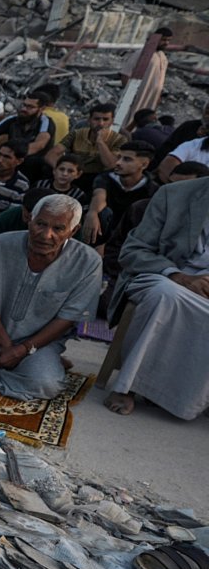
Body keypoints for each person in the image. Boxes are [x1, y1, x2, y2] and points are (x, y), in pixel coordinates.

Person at [0, 195, 100, 400]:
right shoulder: (0, 245)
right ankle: (22, 375)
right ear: (29, 219)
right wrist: (7, 346)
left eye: (58, 229)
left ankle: (31, 365)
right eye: (40, 224)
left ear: (74, 230)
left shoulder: (88, 262)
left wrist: (24, 350)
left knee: (46, 385)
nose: (45, 235)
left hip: (40, 342)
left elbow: (68, 318)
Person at [103, 176, 209, 419]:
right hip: (166, 274)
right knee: (166, 296)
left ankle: (185, 397)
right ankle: (128, 386)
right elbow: (133, 251)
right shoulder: (174, 194)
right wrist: (179, 276)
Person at [86, 143, 158, 251]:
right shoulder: (106, 177)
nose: (118, 163)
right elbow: (99, 196)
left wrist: (108, 247)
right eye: (119, 157)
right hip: (104, 230)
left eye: (127, 159)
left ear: (144, 165)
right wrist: (92, 213)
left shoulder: (152, 190)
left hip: (128, 239)